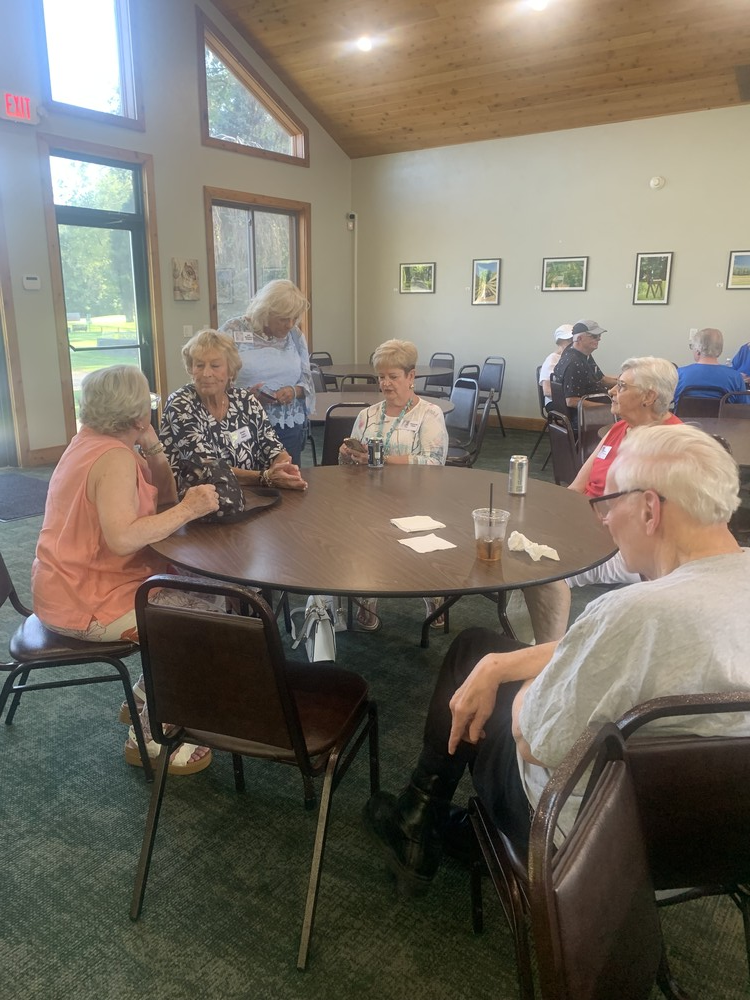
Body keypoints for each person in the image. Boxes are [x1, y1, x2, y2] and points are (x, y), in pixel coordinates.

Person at [363, 424, 749, 894]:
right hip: (713, 841)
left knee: (470, 650)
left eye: (608, 503)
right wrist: (503, 664)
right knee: (489, 656)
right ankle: (443, 824)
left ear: (650, 509)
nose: (604, 520)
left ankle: (416, 824)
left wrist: (513, 675)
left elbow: (535, 743)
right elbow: (608, 650)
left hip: (584, 838)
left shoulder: (633, 613)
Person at [31, 366, 221, 775]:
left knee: (207, 590)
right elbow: (122, 538)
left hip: (67, 586)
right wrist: (190, 509)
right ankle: (150, 737)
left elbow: (163, 498)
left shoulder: (89, 441)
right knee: (204, 620)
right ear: (136, 413)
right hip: (88, 601)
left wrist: (151, 444)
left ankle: (144, 695)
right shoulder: (114, 458)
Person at [524, 356, 681, 642]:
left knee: (542, 568)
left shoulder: (671, 443)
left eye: (622, 386)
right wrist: (547, 517)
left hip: (627, 545)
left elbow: (653, 520)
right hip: (590, 525)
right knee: (525, 544)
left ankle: (545, 653)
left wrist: (577, 530)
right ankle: (523, 640)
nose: (611, 391)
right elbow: (577, 487)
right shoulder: (619, 429)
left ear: (648, 397)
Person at [338, 339, 449, 631]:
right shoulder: (368, 415)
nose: (386, 384)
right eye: (381, 377)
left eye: (393, 376)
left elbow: (433, 461)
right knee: (363, 534)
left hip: (417, 497)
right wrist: (347, 454)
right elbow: (349, 467)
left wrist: (381, 459)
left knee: (420, 542)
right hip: (370, 498)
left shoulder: (429, 414)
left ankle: (433, 592)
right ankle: (368, 595)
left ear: (411, 376)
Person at [160, 328, 307, 492]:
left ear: (230, 370)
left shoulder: (245, 400)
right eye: (199, 365)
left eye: (215, 366)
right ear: (191, 369)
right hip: (200, 499)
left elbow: (274, 448)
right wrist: (264, 477)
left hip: (251, 494)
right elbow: (208, 468)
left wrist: (283, 467)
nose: (206, 373)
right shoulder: (181, 404)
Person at [219, 279, 315, 465]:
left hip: (287, 426)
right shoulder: (232, 331)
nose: (290, 324)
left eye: (294, 318)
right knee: (246, 475)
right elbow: (216, 378)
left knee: (287, 477)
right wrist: (246, 397)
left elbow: (307, 380)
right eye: (283, 319)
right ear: (266, 312)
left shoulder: (295, 335)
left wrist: (294, 391)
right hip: (242, 425)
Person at [550, 319, 616, 430]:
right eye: (594, 336)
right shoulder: (573, 363)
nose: (599, 338)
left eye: (599, 335)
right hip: (583, 417)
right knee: (630, 414)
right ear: (579, 338)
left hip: (592, 409)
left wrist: (622, 383)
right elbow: (571, 401)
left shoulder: (584, 355)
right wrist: (607, 407)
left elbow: (601, 379)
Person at [674, 327, 749, 404]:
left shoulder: (678, 374)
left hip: (685, 412)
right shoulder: (736, 378)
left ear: (698, 351)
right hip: (724, 413)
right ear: (720, 350)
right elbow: (744, 408)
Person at [538, 323, 573, 409]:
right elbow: (547, 391)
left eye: (573, 339)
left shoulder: (576, 359)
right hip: (555, 401)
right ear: (560, 342)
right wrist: (569, 398)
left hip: (573, 400)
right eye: (569, 340)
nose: (572, 343)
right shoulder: (552, 359)